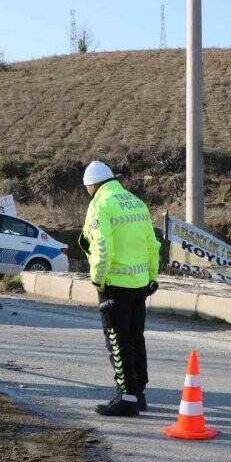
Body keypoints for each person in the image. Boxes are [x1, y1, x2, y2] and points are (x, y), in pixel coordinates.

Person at [78, 161, 161, 416]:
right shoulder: (135, 202)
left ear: (91, 185)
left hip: (114, 284)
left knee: (117, 340)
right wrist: (152, 276)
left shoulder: (100, 205)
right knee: (136, 339)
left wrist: (97, 279)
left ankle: (125, 398)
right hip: (139, 283)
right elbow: (152, 244)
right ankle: (138, 394)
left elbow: (103, 247)